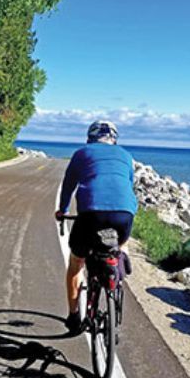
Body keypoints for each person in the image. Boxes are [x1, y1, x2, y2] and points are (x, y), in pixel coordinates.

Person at [55, 121, 138, 334]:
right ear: (114, 139)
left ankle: (74, 318)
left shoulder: (82, 153)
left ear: (89, 138)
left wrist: (63, 211)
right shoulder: (126, 156)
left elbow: (68, 186)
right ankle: (122, 253)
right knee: (119, 238)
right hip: (125, 213)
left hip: (91, 214)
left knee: (76, 264)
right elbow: (128, 186)